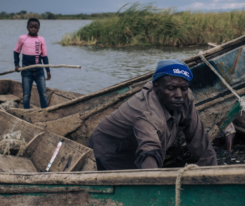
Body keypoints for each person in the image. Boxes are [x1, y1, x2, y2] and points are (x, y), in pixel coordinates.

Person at [87, 59, 217, 170]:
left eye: (183, 88)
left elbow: (198, 136)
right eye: (171, 88)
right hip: (111, 150)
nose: (179, 95)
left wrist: (213, 172)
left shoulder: (185, 96)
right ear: (156, 86)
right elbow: (149, 150)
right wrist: (154, 186)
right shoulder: (146, 111)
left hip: (135, 146)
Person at [13, 18, 51, 109]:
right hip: (26, 71)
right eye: (31, 27)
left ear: (39, 28)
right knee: (26, 94)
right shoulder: (22, 38)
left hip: (39, 70)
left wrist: (48, 71)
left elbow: (44, 56)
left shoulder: (41, 39)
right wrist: (16, 65)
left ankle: (45, 111)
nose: (33, 29)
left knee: (43, 93)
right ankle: (27, 112)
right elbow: (16, 52)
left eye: (36, 27)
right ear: (27, 28)